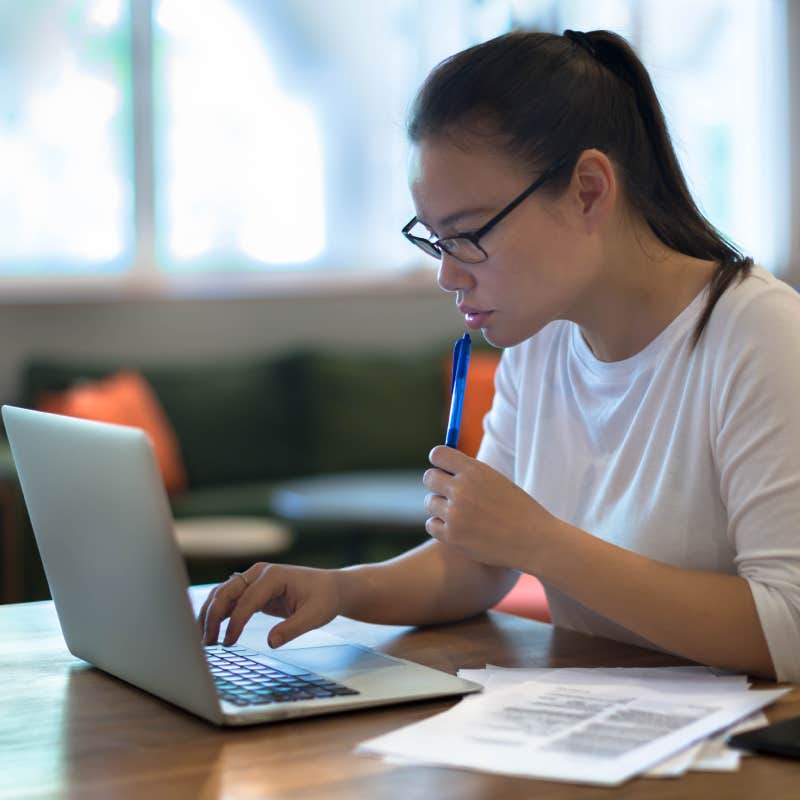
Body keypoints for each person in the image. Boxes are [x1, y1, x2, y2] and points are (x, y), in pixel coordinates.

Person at [200, 29, 800, 683]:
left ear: (590, 191)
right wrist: (341, 592)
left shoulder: (758, 334)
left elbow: (789, 627)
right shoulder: (542, 337)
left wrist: (542, 540)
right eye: (435, 240)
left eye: (468, 235)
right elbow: (475, 563)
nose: (448, 276)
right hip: (601, 729)